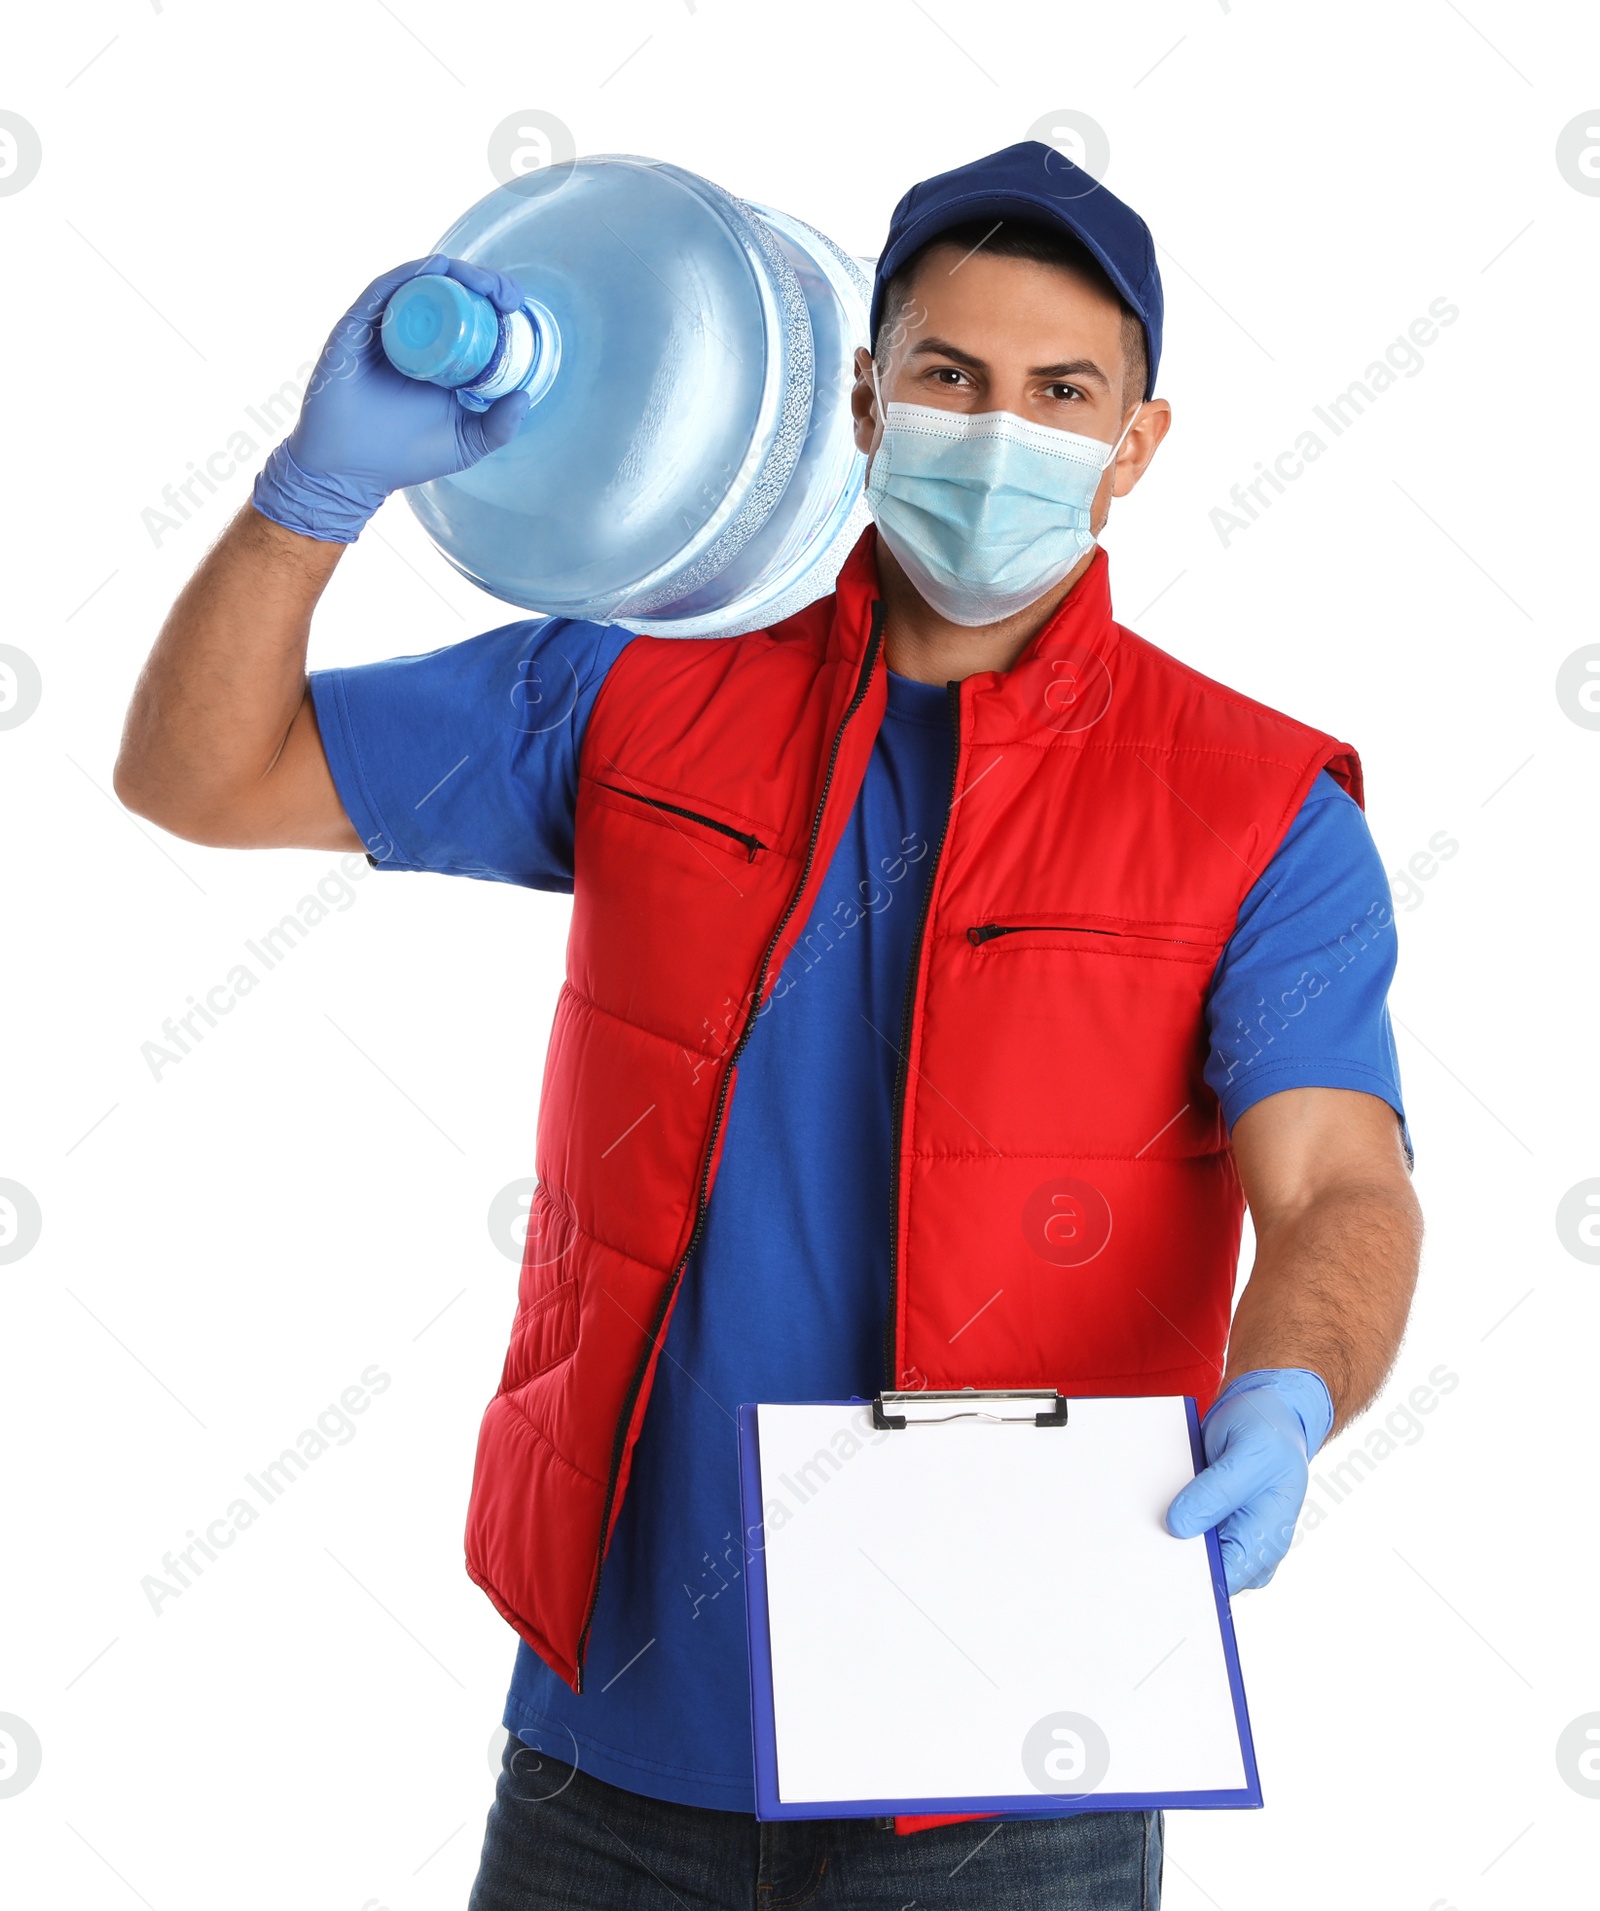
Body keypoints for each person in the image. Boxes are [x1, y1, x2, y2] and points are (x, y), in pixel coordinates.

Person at [115, 142, 1422, 1910]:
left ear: (1136, 447)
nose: (997, 431)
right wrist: (313, 497)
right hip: (621, 1728)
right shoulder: (638, 684)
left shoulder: (1257, 807)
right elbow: (198, 776)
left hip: (1010, 1754)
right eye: (952, 377)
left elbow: (1342, 1179)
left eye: (1061, 396)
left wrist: (1288, 1395)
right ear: (868, 395)